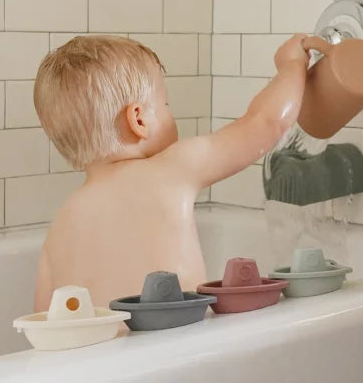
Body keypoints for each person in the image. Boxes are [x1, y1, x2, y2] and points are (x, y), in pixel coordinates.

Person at [32, 33, 308, 311]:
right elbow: (266, 123)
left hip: (96, 354)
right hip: (175, 350)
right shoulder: (172, 170)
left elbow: (44, 318)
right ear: (138, 119)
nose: (169, 113)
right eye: (165, 105)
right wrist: (292, 65)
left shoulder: (62, 224)